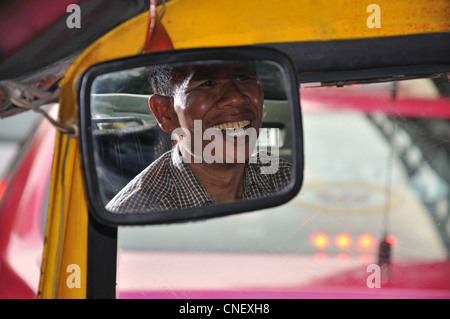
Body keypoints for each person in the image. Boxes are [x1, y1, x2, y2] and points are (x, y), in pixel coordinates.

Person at [106, 61, 291, 212]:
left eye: (244, 77)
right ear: (165, 113)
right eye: (208, 83)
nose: (236, 97)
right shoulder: (135, 213)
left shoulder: (286, 181)